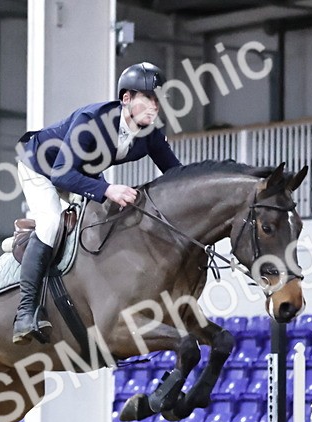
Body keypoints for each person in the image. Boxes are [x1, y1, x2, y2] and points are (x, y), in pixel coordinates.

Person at [11, 62, 183, 344]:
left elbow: (177, 175)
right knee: (52, 222)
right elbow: (62, 174)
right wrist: (108, 189)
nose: (155, 107)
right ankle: (25, 312)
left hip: (81, 172)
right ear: (126, 99)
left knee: (108, 219)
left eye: (158, 100)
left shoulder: (150, 134)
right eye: (148, 98)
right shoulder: (91, 120)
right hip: (42, 167)